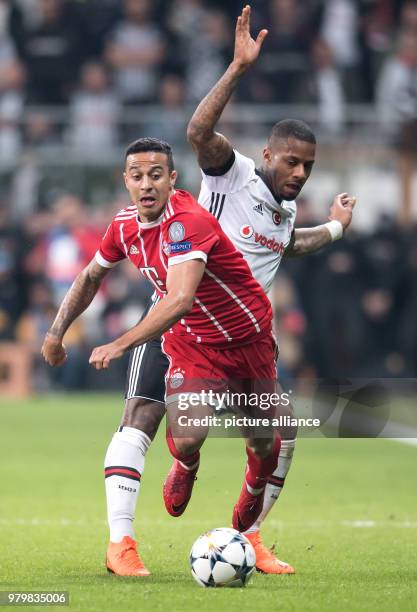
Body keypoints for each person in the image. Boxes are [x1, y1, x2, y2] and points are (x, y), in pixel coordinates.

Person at [97, 5, 356, 577]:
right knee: (168, 428)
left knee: (278, 437)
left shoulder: (284, 212)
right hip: (188, 326)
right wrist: (238, 67)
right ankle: (155, 503)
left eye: (308, 166)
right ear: (266, 155)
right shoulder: (230, 173)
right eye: (291, 161)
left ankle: (250, 536)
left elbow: (292, 243)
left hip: (249, 337)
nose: (300, 173)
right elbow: (196, 132)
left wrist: (335, 227)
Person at [41, 136, 284, 577]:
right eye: (137, 176)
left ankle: (252, 487)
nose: (147, 184)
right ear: (126, 181)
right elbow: (91, 274)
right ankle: (168, 486)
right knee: (185, 434)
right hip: (193, 343)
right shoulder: (123, 225)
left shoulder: (187, 221)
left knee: (266, 441)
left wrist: (120, 342)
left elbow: (180, 299)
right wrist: (57, 331)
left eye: (156, 175)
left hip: (249, 341)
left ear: (173, 179)